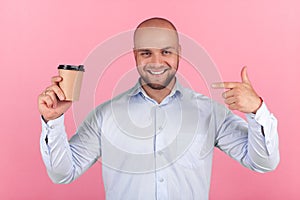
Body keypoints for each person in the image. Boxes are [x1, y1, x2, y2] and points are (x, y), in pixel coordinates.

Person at [38, 17, 280, 200]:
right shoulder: (105, 115)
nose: (156, 62)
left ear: (179, 55)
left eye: (166, 52)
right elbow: (63, 174)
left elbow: (263, 163)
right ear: (135, 56)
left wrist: (256, 110)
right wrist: (54, 120)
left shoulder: (210, 113)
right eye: (146, 53)